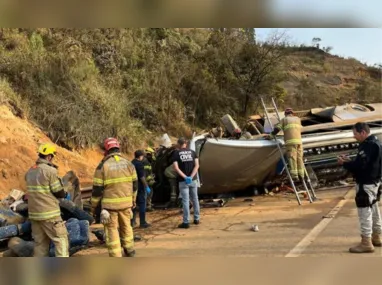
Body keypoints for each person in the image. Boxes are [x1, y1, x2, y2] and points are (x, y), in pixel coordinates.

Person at [338, 122, 382, 253]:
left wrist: (344, 163)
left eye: (355, 134)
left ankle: (366, 242)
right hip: (375, 182)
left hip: (366, 183)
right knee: (374, 209)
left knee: (364, 213)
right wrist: (351, 160)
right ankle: (377, 235)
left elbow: (360, 166)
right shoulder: (377, 143)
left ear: (363, 132)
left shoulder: (367, 146)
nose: (354, 137)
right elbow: (365, 162)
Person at [90, 137, 138, 257]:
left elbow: (97, 190)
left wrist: (93, 207)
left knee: (112, 231)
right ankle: (130, 250)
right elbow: (135, 185)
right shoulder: (128, 164)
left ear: (106, 150)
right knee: (127, 227)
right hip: (126, 204)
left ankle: (116, 255)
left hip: (109, 207)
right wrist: (133, 200)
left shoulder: (102, 166)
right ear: (118, 148)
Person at [25, 143, 69, 257]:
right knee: (61, 241)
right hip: (50, 215)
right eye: (52, 156)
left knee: (40, 245)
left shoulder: (30, 171)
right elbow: (58, 191)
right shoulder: (50, 171)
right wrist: (64, 193)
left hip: (35, 215)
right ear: (49, 156)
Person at [267, 108, 304, 182]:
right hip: (299, 142)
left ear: (285, 114)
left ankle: (295, 176)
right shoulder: (298, 119)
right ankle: (302, 176)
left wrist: (270, 136)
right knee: (299, 158)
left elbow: (277, 129)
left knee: (292, 158)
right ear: (292, 113)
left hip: (290, 142)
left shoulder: (284, 119)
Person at [172, 137, 200, 228]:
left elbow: (176, 168)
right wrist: (191, 177)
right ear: (186, 144)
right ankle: (196, 219)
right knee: (195, 199)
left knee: (185, 201)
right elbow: (197, 166)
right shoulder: (193, 152)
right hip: (193, 180)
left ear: (178, 144)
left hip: (183, 181)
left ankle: (186, 222)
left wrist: (185, 177)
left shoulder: (176, 153)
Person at [131, 150, 151, 228]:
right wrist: (146, 186)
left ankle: (132, 222)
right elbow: (142, 177)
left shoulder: (131, 162)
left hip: (133, 187)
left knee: (133, 204)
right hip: (140, 187)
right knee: (142, 204)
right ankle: (142, 222)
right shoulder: (139, 164)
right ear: (141, 156)